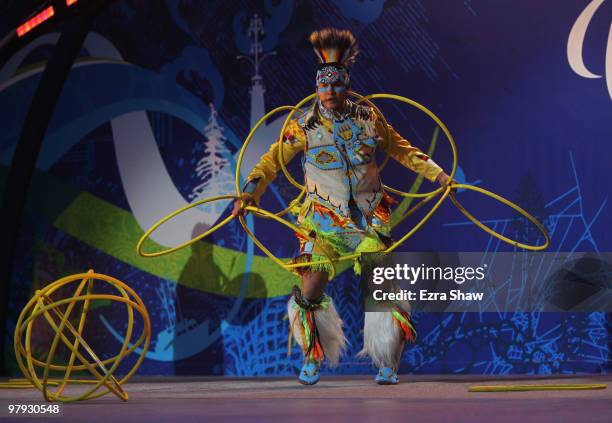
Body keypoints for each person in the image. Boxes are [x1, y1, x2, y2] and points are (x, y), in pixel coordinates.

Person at [232, 28, 453, 385]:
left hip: (369, 219)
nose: (330, 92)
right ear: (316, 87)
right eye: (324, 86)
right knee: (310, 287)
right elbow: (270, 163)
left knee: (379, 286)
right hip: (321, 220)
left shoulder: (369, 119)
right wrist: (248, 195)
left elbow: (404, 151)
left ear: (347, 85)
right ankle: (311, 357)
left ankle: (387, 361)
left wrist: (440, 177)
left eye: (337, 86)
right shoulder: (301, 126)